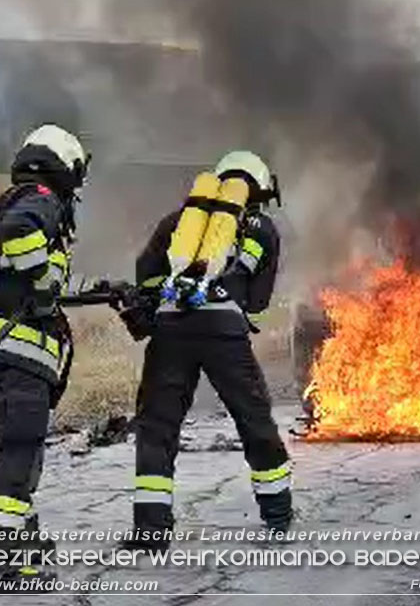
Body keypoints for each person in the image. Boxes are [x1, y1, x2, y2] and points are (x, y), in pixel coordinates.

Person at [123, 150, 293, 553]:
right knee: (253, 420)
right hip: (224, 334)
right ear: (257, 189)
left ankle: (151, 532)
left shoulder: (178, 222)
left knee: (157, 428)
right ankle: (278, 517)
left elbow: (145, 273)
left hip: (170, 332)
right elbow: (257, 303)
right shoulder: (262, 228)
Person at [0, 124, 91, 583]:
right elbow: (20, 233)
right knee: (17, 456)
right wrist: (42, 280)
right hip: (16, 353)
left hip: (3, 353)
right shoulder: (39, 197)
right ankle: (1, 566)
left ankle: (23, 549)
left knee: (16, 457)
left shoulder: (19, 195)